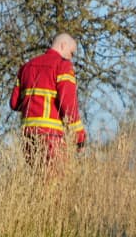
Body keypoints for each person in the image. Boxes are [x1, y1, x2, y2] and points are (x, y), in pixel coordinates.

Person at [10, 33, 88, 166]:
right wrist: (80, 138)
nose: (71, 58)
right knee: (54, 183)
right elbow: (68, 106)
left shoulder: (26, 67)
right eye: (72, 53)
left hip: (28, 136)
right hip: (52, 137)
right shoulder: (63, 66)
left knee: (35, 181)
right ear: (63, 45)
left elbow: (14, 104)